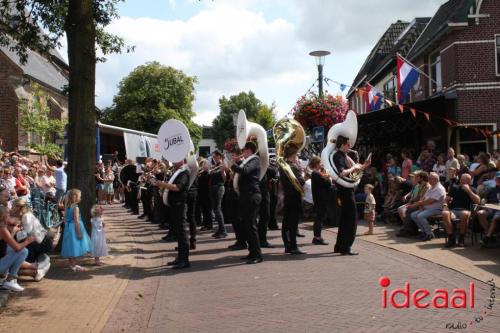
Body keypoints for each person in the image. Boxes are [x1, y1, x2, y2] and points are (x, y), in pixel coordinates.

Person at [332, 135, 370, 255]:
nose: (350, 146)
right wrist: (354, 167)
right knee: (352, 219)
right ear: (342, 145)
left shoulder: (343, 156)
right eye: (348, 144)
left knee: (345, 219)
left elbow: (353, 177)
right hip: (345, 191)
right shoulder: (339, 156)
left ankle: (340, 246)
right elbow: (342, 173)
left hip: (347, 190)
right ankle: (346, 247)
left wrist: (364, 167)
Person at [230, 141, 263, 264]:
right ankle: (252, 252)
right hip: (245, 195)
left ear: (249, 150)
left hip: (252, 195)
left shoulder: (255, 160)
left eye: (244, 150)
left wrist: (232, 165)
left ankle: (258, 254)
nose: (242, 153)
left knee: (251, 226)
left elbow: (245, 171)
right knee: (246, 226)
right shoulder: (247, 161)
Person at [155, 159, 191, 269]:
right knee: (178, 233)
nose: (173, 162)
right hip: (174, 205)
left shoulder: (184, 172)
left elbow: (178, 187)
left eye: (175, 159)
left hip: (180, 205)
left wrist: (162, 184)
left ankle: (184, 260)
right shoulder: (176, 172)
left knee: (182, 232)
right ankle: (180, 257)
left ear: (182, 160)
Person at [0, 205, 35, 291]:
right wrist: (28, 240)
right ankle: (10, 280)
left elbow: (6, 244)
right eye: (8, 214)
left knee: (15, 250)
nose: (10, 216)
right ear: (3, 216)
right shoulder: (2, 229)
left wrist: (13, 231)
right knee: (23, 251)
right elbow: (17, 247)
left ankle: (10, 279)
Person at [279, 143, 306, 254]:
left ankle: (288, 245)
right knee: (293, 223)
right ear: (293, 154)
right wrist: (303, 172)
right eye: (296, 153)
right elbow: (302, 182)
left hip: (288, 196)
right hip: (294, 197)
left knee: (286, 222)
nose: (297, 155)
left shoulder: (283, 166)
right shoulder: (293, 167)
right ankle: (293, 247)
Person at [442, 173, 480, 248]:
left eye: (465, 180)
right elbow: (447, 199)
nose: (462, 181)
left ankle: (461, 238)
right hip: (454, 210)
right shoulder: (454, 187)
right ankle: (451, 237)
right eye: (462, 179)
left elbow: (478, 201)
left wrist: (468, 191)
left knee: (464, 214)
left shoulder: (472, 189)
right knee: (445, 213)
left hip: (466, 210)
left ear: (469, 181)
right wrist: (445, 205)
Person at [61, 189, 92, 271]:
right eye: (80, 197)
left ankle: (71, 264)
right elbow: (76, 220)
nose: (81, 198)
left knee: (70, 245)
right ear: (75, 197)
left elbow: (65, 218)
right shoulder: (76, 208)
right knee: (74, 246)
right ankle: (74, 265)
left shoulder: (67, 206)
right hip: (74, 228)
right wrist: (78, 233)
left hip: (68, 228)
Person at [410, 172, 446, 241]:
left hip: (437, 209)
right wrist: (421, 205)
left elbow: (431, 201)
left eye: (430, 179)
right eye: (429, 178)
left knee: (420, 216)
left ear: (435, 179)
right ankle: (424, 232)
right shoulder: (431, 187)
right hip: (427, 208)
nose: (428, 180)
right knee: (413, 215)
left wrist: (419, 204)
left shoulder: (439, 189)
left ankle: (429, 234)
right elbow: (424, 197)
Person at [309, 156, 331, 245]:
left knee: (319, 218)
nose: (321, 164)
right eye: (320, 163)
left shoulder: (316, 173)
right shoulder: (316, 174)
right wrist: (328, 178)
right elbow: (327, 184)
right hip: (320, 199)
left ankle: (317, 236)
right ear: (317, 164)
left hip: (319, 198)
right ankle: (317, 237)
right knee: (319, 218)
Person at [477, 172, 500, 246]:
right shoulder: (491, 189)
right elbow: (485, 199)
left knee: (496, 217)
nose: (499, 180)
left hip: (499, 210)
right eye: (498, 179)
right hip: (491, 209)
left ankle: (486, 238)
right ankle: (489, 234)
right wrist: (483, 201)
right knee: (480, 213)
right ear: (495, 180)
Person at [209, 151, 227, 238]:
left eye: (215, 156)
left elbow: (224, 179)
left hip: (219, 188)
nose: (214, 158)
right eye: (213, 156)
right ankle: (220, 230)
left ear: (219, 157)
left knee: (217, 210)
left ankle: (223, 231)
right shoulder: (215, 166)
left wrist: (223, 171)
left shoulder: (221, 165)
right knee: (216, 210)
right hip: (213, 188)